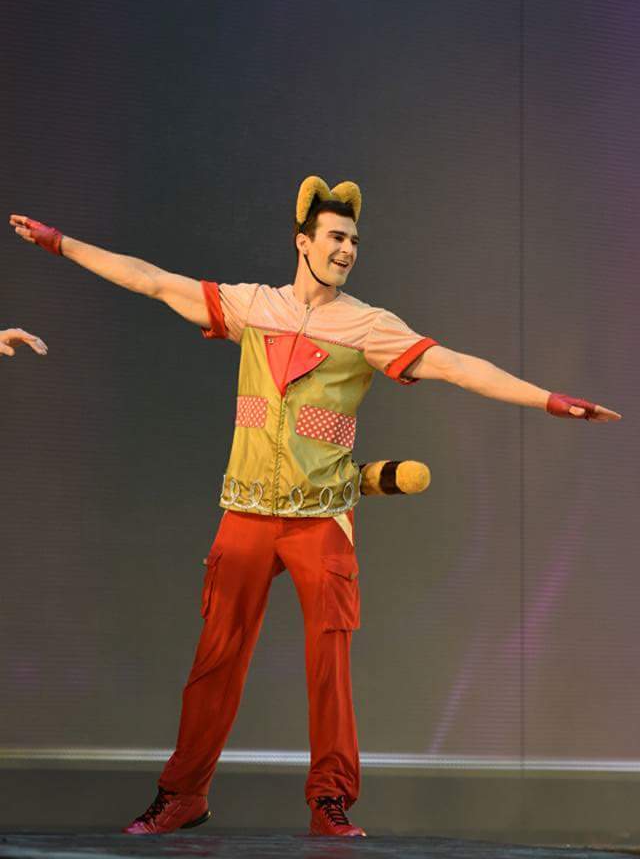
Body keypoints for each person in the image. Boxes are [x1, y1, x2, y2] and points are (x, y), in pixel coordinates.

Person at [9, 177, 621, 837]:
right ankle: (182, 794)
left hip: (321, 519)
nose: (347, 249)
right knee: (215, 661)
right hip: (246, 511)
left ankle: (330, 801)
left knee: (329, 667)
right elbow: (153, 281)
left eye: (354, 240)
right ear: (303, 242)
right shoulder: (253, 306)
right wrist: (61, 244)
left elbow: (455, 365)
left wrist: (548, 400)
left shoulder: (369, 325)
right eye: (335, 237)